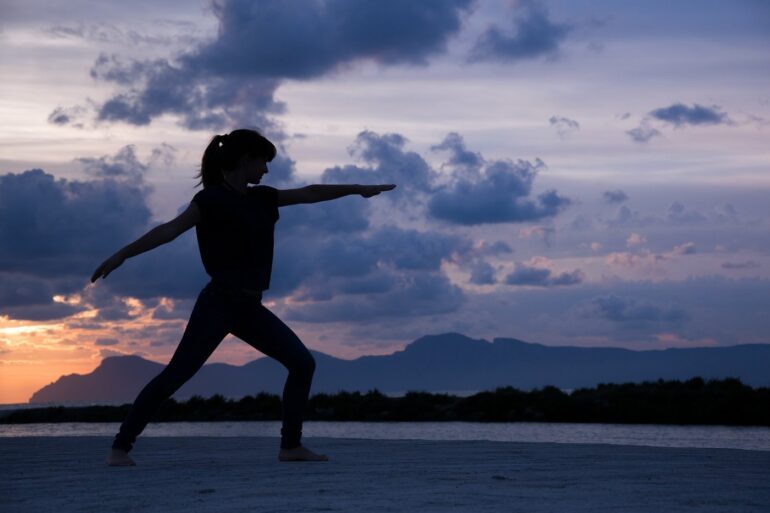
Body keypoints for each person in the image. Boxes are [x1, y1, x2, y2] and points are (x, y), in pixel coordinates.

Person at [91, 128, 396, 466]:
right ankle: (120, 448)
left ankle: (290, 447)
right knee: (175, 376)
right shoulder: (209, 201)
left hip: (250, 306)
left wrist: (357, 190)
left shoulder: (262, 198)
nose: (265, 170)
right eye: (262, 162)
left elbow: (310, 193)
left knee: (302, 363)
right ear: (244, 160)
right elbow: (169, 230)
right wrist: (123, 254)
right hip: (219, 303)